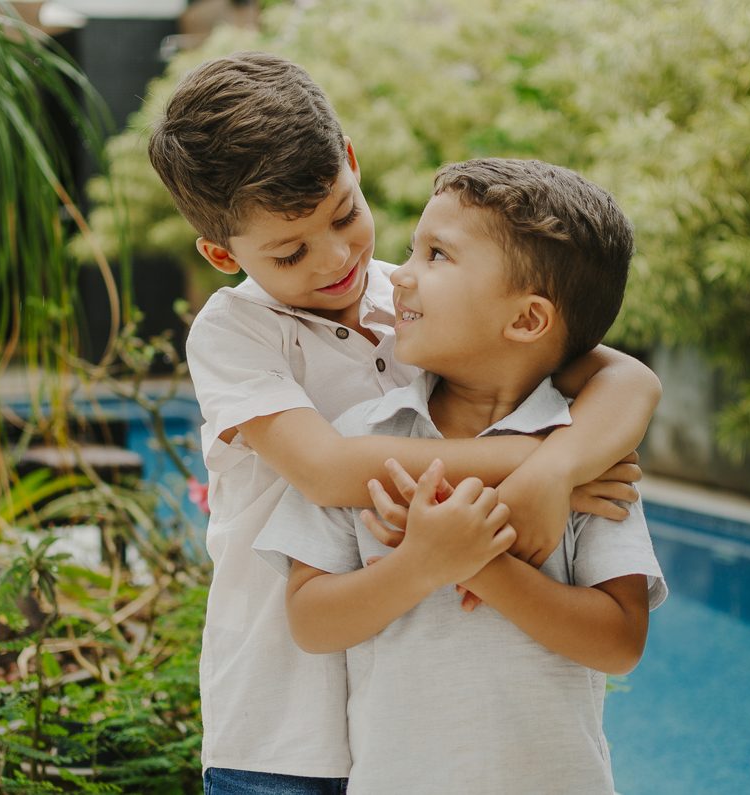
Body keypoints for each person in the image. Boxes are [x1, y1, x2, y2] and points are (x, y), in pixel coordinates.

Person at [147, 52, 662, 795]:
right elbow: (328, 469)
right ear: (223, 254)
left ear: (351, 163)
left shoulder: (422, 299)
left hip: (401, 723)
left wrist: (555, 472)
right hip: (279, 722)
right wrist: (535, 465)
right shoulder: (236, 332)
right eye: (291, 252)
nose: (337, 259)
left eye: (345, 213)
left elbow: (626, 379)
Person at [254, 158, 668, 794]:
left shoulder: (585, 456)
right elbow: (310, 622)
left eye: (436, 255)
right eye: (412, 250)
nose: (402, 277)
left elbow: (619, 641)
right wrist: (421, 564)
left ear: (527, 319)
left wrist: (480, 566)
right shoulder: (367, 436)